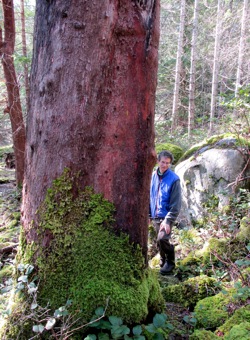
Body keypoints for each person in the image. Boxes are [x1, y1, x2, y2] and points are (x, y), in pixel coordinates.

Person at [149, 150, 181, 275]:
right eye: (163, 162)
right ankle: (163, 262)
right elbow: (148, 196)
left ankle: (170, 263)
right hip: (155, 215)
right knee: (159, 241)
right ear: (158, 161)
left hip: (167, 216)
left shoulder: (174, 180)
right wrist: (148, 215)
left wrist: (168, 221)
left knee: (162, 239)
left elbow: (176, 204)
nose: (165, 165)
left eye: (168, 163)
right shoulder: (152, 176)